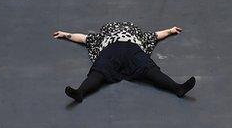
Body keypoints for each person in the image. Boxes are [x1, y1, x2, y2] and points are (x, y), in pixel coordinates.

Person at [53, 22, 195, 103]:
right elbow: (83, 38)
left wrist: (170, 30)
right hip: (111, 51)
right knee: (98, 72)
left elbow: (156, 35)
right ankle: (80, 92)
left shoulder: (138, 35)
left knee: (150, 70)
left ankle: (178, 88)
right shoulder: (102, 36)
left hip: (131, 49)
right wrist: (65, 34)